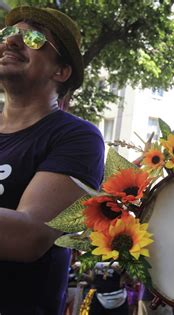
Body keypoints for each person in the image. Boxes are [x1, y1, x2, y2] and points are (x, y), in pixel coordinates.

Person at [0, 6, 104, 315]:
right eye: (7, 34)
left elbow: (29, 236)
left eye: (33, 37)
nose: (12, 42)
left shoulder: (77, 137)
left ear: (61, 71)